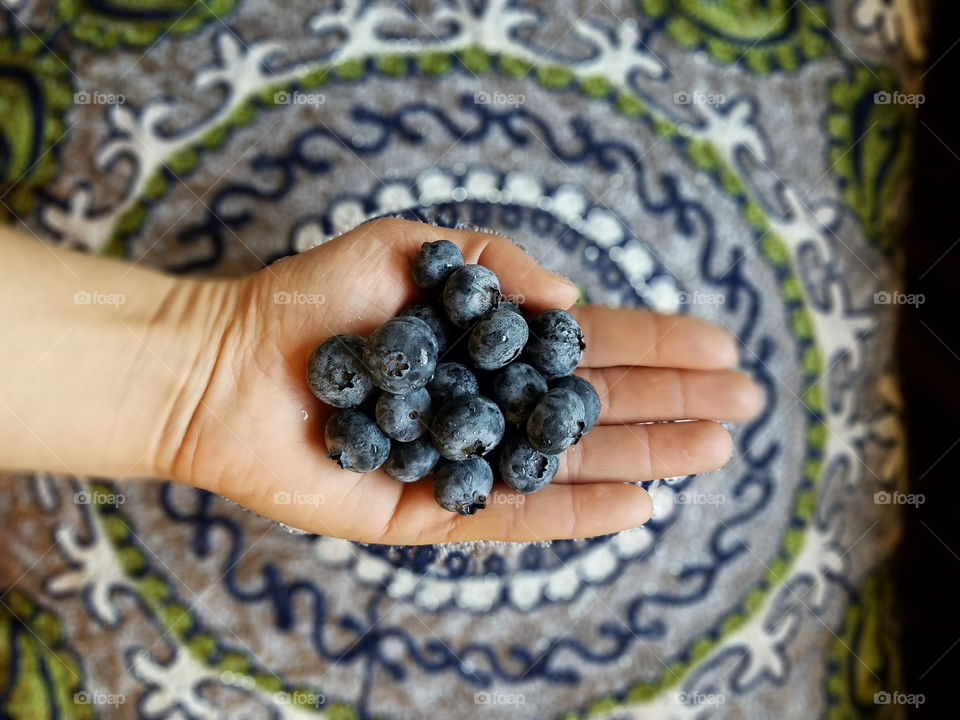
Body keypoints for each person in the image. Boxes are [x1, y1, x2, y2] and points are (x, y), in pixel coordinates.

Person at [0, 217, 762, 545]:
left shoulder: (458, 413)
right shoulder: (398, 383)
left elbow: (463, 406)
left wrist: (212, 364)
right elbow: (425, 385)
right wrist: (220, 358)